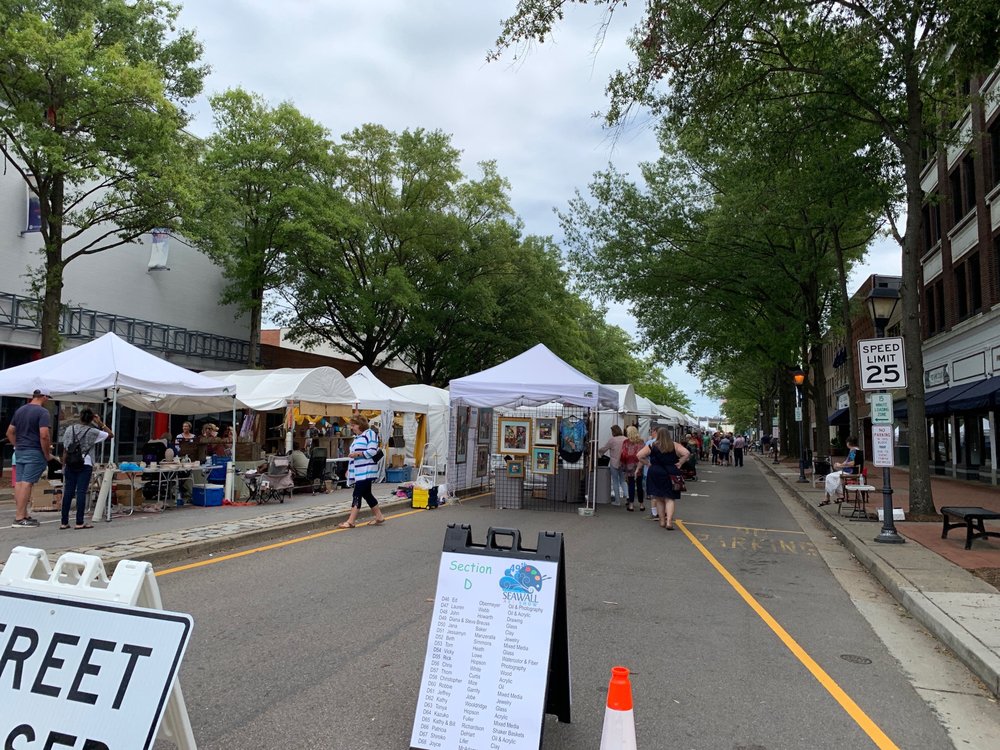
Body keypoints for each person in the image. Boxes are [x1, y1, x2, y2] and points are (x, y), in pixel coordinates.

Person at [6, 389, 53, 527]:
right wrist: (46, 453)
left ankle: (22, 513)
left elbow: (10, 432)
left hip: (20, 449)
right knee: (27, 483)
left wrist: (17, 444)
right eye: (48, 397)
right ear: (44, 397)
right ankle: (20, 517)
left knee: (20, 483)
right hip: (34, 450)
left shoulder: (20, 410)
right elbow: (44, 434)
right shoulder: (43, 412)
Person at [59, 409, 113, 530]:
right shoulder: (93, 431)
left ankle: (64, 522)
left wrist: (64, 464)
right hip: (85, 462)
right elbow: (111, 435)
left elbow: (65, 448)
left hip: (70, 462)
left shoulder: (69, 429)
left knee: (68, 492)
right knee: (81, 492)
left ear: (80, 417)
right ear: (91, 419)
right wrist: (100, 423)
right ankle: (79, 522)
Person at [338, 415, 387, 528]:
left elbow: (372, 450)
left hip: (366, 470)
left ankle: (351, 521)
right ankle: (379, 516)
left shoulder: (369, 433)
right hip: (360, 471)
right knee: (366, 494)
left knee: (357, 494)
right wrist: (349, 470)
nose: (351, 427)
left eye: (353, 425)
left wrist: (358, 454)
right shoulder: (358, 437)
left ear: (360, 425)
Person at [637, 427, 690, 530]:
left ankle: (662, 520)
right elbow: (687, 453)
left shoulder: (652, 445)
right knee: (670, 498)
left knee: (659, 498)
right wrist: (680, 462)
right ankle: (669, 521)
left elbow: (639, 455)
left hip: (655, 472)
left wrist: (648, 464)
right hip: (670, 472)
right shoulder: (674, 445)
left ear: (658, 434)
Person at [821, 436, 864, 506]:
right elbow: (848, 461)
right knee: (835, 479)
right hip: (851, 471)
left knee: (829, 477)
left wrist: (840, 465)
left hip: (850, 472)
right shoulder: (856, 451)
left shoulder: (853, 451)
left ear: (849, 443)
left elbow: (853, 462)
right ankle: (829, 497)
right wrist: (840, 464)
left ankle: (837, 496)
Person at [598, 425, 627, 505]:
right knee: (622, 480)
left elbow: (604, 448)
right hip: (623, 463)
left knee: (615, 481)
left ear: (614, 432)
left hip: (614, 462)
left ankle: (617, 501)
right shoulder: (625, 439)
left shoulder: (612, 440)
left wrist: (597, 451)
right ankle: (627, 496)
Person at [620, 425, 645, 512]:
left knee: (631, 484)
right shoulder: (641, 442)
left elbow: (623, 455)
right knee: (639, 485)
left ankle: (631, 505)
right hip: (639, 465)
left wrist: (623, 466)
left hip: (629, 466)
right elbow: (644, 454)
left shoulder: (626, 442)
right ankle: (641, 504)